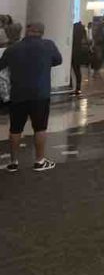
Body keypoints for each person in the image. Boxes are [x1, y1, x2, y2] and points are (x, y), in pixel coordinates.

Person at [0, 21, 62, 173]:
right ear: (42, 32)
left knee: (15, 129)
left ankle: (14, 162)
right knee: (40, 128)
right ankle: (40, 161)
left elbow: (1, 66)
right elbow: (58, 60)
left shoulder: (12, 49)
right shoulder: (48, 45)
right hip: (40, 94)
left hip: (17, 94)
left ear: (27, 31)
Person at [71, 21, 89, 95]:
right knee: (77, 71)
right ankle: (78, 88)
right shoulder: (83, 34)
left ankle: (71, 86)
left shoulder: (73, 33)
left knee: (71, 71)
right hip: (79, 54)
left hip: (72, 53)